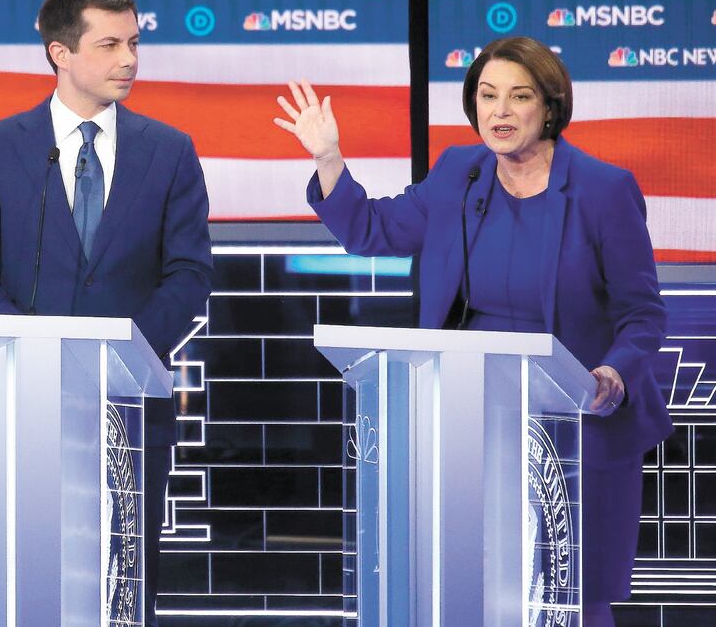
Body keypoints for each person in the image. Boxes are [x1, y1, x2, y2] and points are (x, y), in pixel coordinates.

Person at [274, 36, 673, 626]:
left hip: (575, 426)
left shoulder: (602, 190)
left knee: (568, 598)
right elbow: (371, 232)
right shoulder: (460, 174)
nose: (500, 112)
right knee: (465, 585)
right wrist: (329, 159)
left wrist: (613, 371)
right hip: (464, 419)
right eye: (487, 96)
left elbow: (642, 313)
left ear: (550, 107)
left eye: (518, 97)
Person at [0, 0, 213, 627]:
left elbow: (188, 273)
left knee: (123, 577)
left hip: (128, 401)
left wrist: (115, 358)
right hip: (21, 401)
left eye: (135, 43)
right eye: (110, 44)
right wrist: (37, 355)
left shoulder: (169, 150)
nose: (129, 60)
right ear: (60, 53)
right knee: (18, 569)